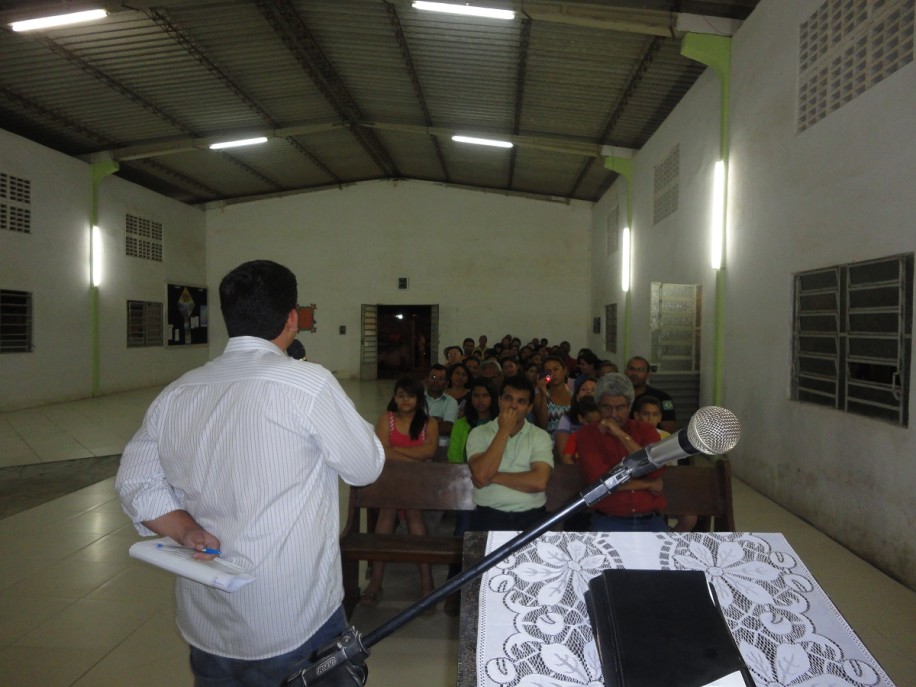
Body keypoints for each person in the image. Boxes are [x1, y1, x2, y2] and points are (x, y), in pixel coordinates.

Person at [115, 260, 385, 685]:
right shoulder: (307, 384)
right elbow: (365, 467)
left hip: (208, 617)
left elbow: (135, 482)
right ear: (292, 317)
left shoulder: (178, 392)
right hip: (293, 617)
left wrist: (184, 530)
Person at [362, 378, 439, 606]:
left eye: (410, 395)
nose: (405, 400)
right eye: (401, 395)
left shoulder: (429, 423)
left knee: (414, 514)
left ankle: (427, 582)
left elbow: (430, 450)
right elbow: (382, 451)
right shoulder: (387, 419)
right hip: (391, 480)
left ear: (419, 399)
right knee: (387, 513)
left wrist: (398, 452)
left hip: (418, 483)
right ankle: (375, 582)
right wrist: (413, 455)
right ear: (394, 397)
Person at [575, 373, 667, 532]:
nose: (613, 414)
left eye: (620, 408)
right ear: (598, 405)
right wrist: (648, 484)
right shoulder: (587, 435)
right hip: (609, 520)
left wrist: (620, 434)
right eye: (607, 407)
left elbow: (654, 468)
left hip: (651, 519)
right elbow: (602, 483)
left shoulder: (646, 431)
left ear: (630, 407)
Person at [466, 375, 554, 532]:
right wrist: (504, 430)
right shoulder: (479, 433)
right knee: (477, 554)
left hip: (532, 516)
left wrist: (492, 477)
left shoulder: (540, 436)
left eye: (521, 401)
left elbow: (538, 482)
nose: (513, 406)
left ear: (529, 408)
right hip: (488, 515)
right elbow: (480, 475)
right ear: (499, 401)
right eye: (508, 398)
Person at [634, 395, 697, 532]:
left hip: (663, 488)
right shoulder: (631, 437)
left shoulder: (667, 438)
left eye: (655, 414)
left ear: (660, 417)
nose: (650, 418)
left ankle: (670, 539)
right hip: (637, 488)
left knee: (690, 518)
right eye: (646, 414)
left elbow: (672, 471)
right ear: (636, 416)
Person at [625, 356, 677, 433]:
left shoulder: (663, 398)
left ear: (648, 374)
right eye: (632, 369)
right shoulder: (617, 397)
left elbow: (669, 429)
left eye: (640, 370)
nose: (635, 373)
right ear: (625, 372)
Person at [554, 376, 597, 458]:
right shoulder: (566, 419)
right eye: (584, 389)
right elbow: (564, 455)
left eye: (593, 390)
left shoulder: (605, 419)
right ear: (577, 397)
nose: (589, 392)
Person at [534, 356, 573, 437]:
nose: (553, 374)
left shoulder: (574, 396)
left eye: (556, 369)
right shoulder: (540, 396)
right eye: (548, 371)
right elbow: (542, 426)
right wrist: (544, 394)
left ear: (564, 370)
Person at [425, 364, 459, 447]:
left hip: (442, 446)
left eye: (440, 379)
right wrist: (437, 421)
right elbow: (409, 424)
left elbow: (448, 428)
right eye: (433, 377)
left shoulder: (451, 402)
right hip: (417, 445)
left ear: (446, 383)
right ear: (426, 380)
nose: (436, 381)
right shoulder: (416, 399)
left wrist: (421, 423)